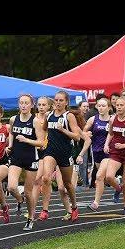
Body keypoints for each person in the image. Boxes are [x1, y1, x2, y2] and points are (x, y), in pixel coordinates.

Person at [38, 91, 81, 222]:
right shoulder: (49, 115)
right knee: (46, 178)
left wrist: (63, 130)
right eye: (56, 100)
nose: (58, 102)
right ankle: (45, 210)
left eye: (61, 100)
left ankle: (74, 207)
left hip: (65, 153)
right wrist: (44, 140)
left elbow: (77, 137)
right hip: (50, 151)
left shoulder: (69, 116)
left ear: (66, 102)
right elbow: (44, 128)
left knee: (67, 184)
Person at [5, 94, 45, 230]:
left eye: (26, 103)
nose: (23, 105)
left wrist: (27, 140)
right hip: (16, 156)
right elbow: (11, 132)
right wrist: (10, 145)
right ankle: (19, 200)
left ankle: (30, 218)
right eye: (21, 103)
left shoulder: (35, 122)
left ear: (31, 105)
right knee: (11, 187)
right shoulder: (13, 119)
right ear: (18, 105)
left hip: (31, 158)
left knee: (28, 192)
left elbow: (41, 143)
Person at [85, 98, 111, 211]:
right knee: (105, 178)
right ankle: (118, 187)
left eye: (103, 106)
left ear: (109, 107)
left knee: (99, 176)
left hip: (108, 152)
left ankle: (96, 203)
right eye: (99, 106)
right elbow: (82, 132)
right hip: (96, 151)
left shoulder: (112, 119)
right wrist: (87, 134)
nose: (101, 108)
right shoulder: (92, 119)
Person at [31, 96, 52, 215]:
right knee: (37, 180)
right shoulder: (33, 119)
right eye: (39, 105)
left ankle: (45, 208)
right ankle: (32, 210)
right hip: (36, 151)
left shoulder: (51, 118)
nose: (41, 107)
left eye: (44, 105)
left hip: (48, 150)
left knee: (44, 179)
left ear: (49, 106)